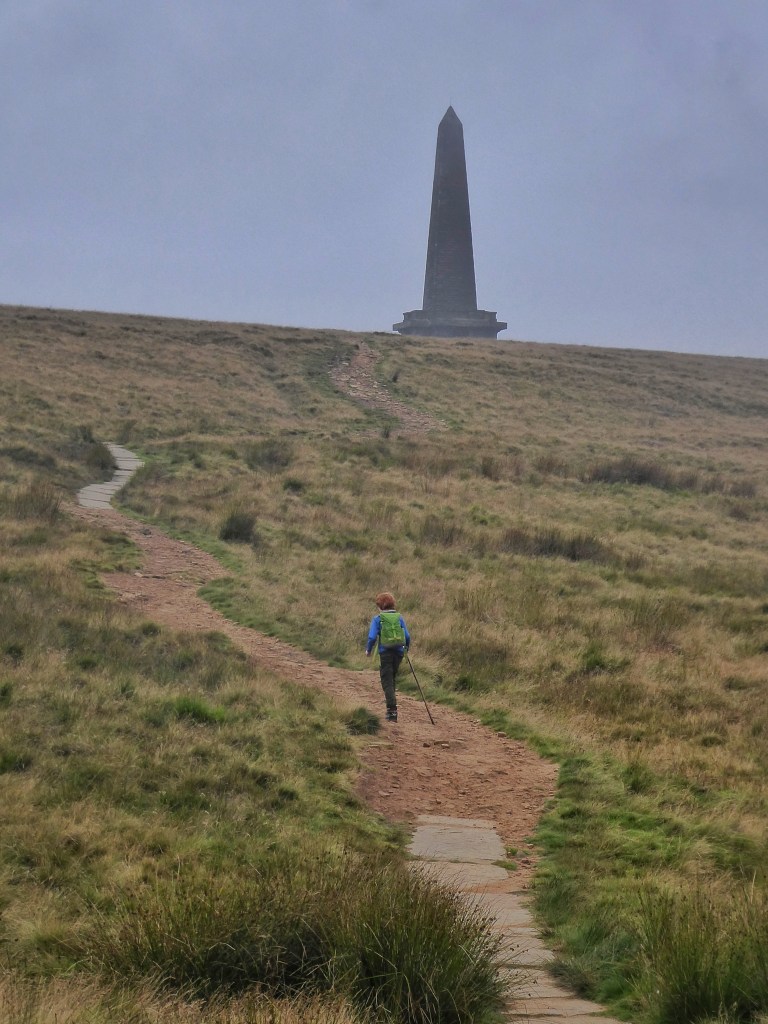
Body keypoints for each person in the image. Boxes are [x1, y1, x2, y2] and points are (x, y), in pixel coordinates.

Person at [365, 592, 410, 723]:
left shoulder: (378, 619)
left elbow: (372, 637)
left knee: (387, 681)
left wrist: (368, 650)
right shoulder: (399, 617)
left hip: (385, 653)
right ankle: (391, 707)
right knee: (392, 678)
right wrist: (406, 649)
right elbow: (407, 636)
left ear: (380, 606)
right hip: (399, 652)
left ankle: (392, 711)